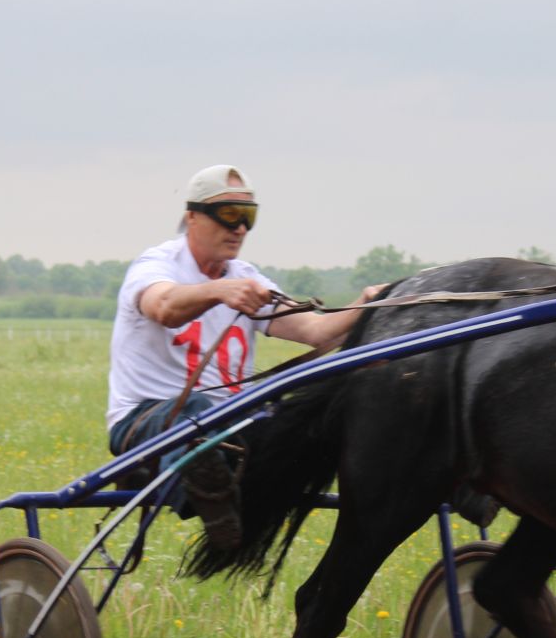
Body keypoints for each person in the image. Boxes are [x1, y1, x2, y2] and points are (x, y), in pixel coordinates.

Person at [106, 164, 378, 547]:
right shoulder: (157, 265)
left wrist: (367, 304)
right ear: (192, 216)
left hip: (231, 426)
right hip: (146, 422)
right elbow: (164, 306)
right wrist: (218, 292)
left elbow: (315, 332)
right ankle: (206, 491)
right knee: (197, 412)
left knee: (308, 415)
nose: (239, 229)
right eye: (229, 214)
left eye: (248, 217)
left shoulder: (246, 276)